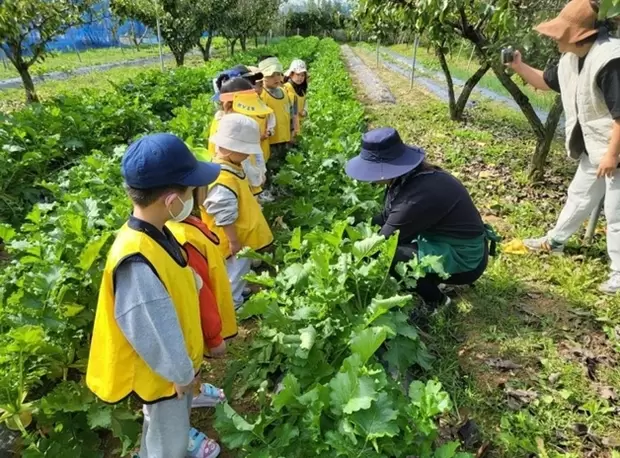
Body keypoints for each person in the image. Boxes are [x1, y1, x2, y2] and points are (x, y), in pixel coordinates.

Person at [86, 133, 221, 458]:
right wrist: (181, 373)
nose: (194, 197)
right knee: (168, 441)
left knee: (163, 432)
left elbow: (175, 278)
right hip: (162, 375)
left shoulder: (155, 232)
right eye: (190, 191)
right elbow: (152, 327)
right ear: (172, 200)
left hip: (174, 368)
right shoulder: (135, 259)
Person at [506, 0, 620, 294]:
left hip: (613, 149)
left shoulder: (610, 60)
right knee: (579, 195)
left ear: (580, 35)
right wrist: (518, 66)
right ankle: (554, 240)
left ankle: (618, 272)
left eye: (561, 32)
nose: (555, 37)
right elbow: (545, 82)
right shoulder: (571, 60)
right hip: (597, 147)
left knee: (616, 211)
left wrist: (612, 154)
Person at [345, 128, 498, 308]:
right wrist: (351, 227)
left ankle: (439, 303)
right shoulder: (407, 179)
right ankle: (434, 280)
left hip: (466, 259)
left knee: (390, 256)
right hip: (449, 243)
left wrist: (349, 254)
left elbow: (384, 242)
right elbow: (387, 216)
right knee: (395, 249)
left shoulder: (416, 197)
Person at [167, 187, 238, 409]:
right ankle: (186, 420)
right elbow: (202, 294)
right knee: (186, 372)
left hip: (185, 326)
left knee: (187, 368)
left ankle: (195, 392)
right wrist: (214, 338)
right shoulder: (185, 240)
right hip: (192, 327)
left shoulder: (175, 227)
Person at [204, 114, 274, 309]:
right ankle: (233, 304)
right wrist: (233, 240)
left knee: (239, 268)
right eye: (244, 151)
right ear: (230, 150)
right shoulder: (223, 179)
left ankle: (238, 291)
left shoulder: (231, 166)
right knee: (235, 269)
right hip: (232, 238)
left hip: (240, 233)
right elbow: (223, 214)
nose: (246, 155)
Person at [207, 77, 273, 199]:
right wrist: (258, 177)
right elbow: (244, 161)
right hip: (237, 185)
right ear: (228, 105)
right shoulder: (225, 129)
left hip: (248, 180)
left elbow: (256, 150)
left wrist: (261, 171)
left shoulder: (241, 122)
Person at [258, 57, 297, 170]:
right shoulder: (262, 95)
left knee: (285, 166)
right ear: (263, 77)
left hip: (285, 138)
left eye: (278, 74)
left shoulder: (284, 92)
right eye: (271, 75)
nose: (276, 78)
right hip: (271, 142)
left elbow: (290, 112)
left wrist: (292, 130)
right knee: (272, 168)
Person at [284, 59, 309, 134]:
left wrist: (305, 111)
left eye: (302, 75)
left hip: (300, 123)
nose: (300, 78)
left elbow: (305, 102)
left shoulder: (302, 89)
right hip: (290, 124)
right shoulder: (286, 88)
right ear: (291, 74)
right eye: (297, 75)